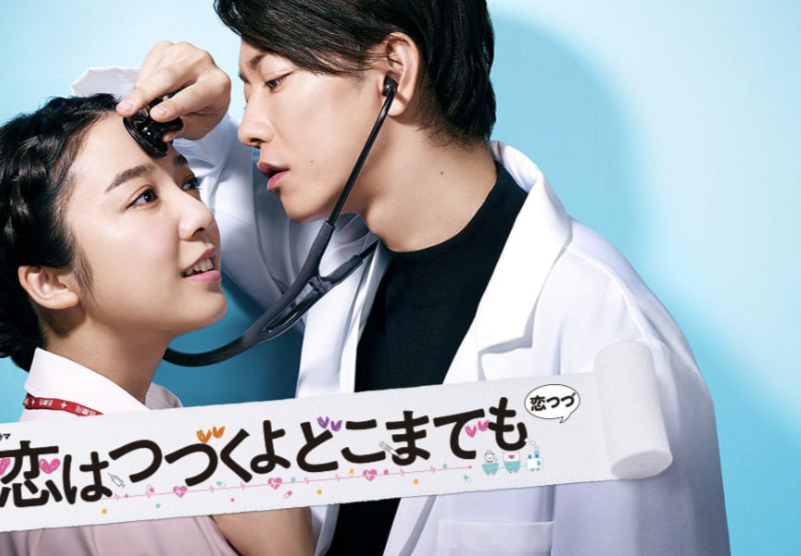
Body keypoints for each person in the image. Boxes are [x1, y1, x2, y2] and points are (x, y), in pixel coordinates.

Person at [72, 1, 732, 554]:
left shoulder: (604, 333)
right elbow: (161, 209)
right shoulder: (334, 260)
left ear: (393, 71)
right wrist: (186, 109)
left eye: (273, 81)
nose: (250, 128)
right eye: (248, 94)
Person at [0, 94, 313, 556]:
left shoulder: (124, 438)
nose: (200, 215)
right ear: (50, 282)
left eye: (187, 182)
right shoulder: (103, 492)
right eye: (144, 197)